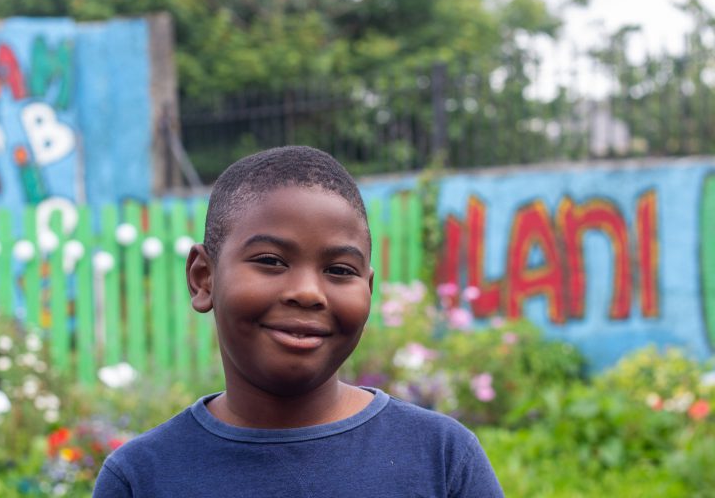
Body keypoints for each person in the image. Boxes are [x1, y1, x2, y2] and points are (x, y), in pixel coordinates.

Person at [93, 146, 504, 497]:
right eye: (271, 261)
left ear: (369, 288)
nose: (308, 292)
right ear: (204, 277)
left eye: (340, 270)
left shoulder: (442, 459)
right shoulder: (141, 477)